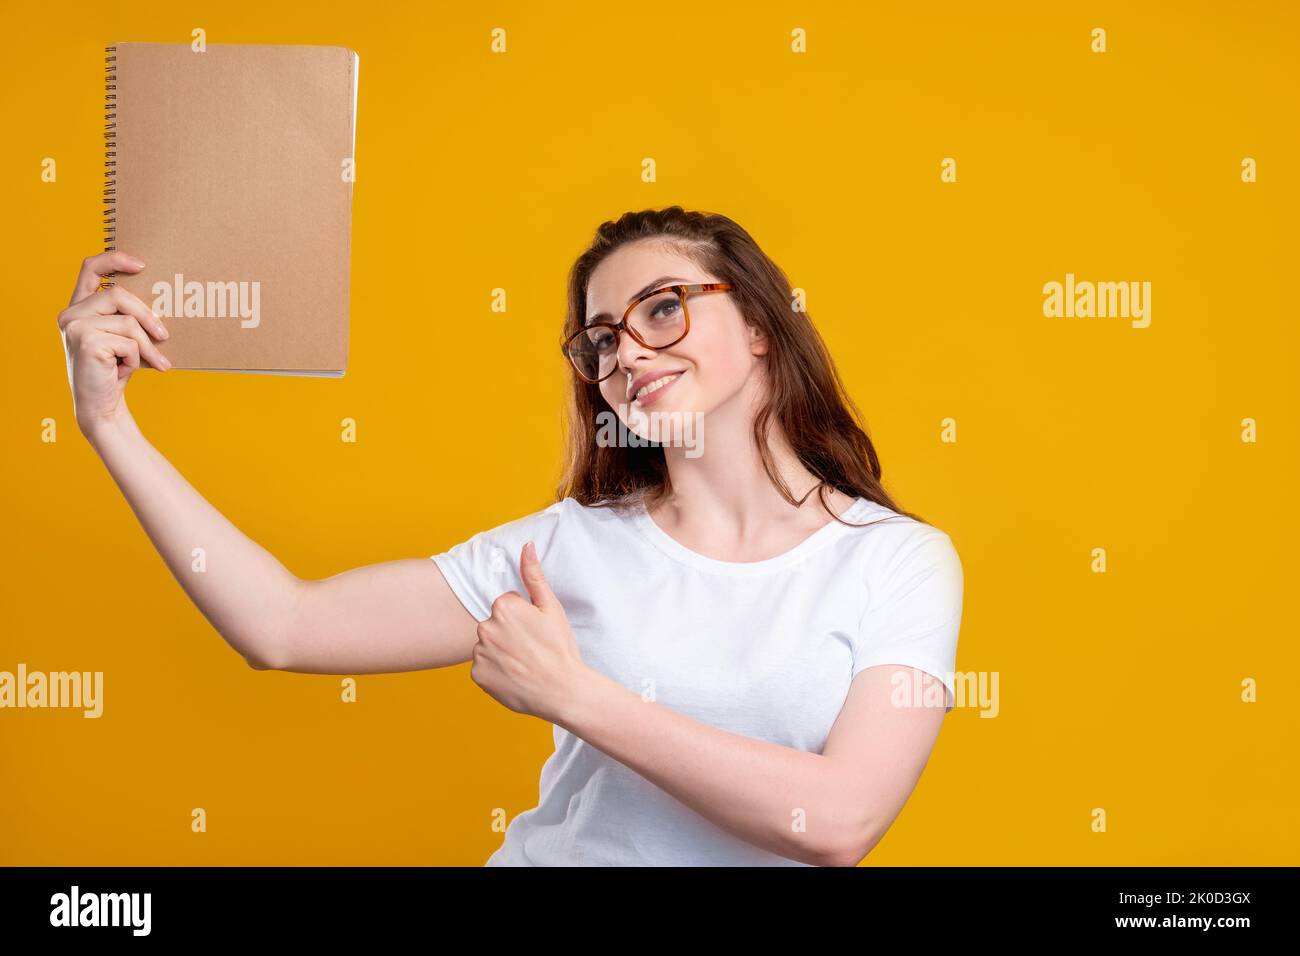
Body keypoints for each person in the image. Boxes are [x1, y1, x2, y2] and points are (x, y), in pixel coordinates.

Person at [58, 205, 963, 867]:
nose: (629, 357)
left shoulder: (895, 562)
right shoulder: (563, 550)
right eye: (601, 342)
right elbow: (283, 626)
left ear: (762, 324)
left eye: (661, 309)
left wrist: (573, 694)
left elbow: (841, 822)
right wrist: (109, 424)